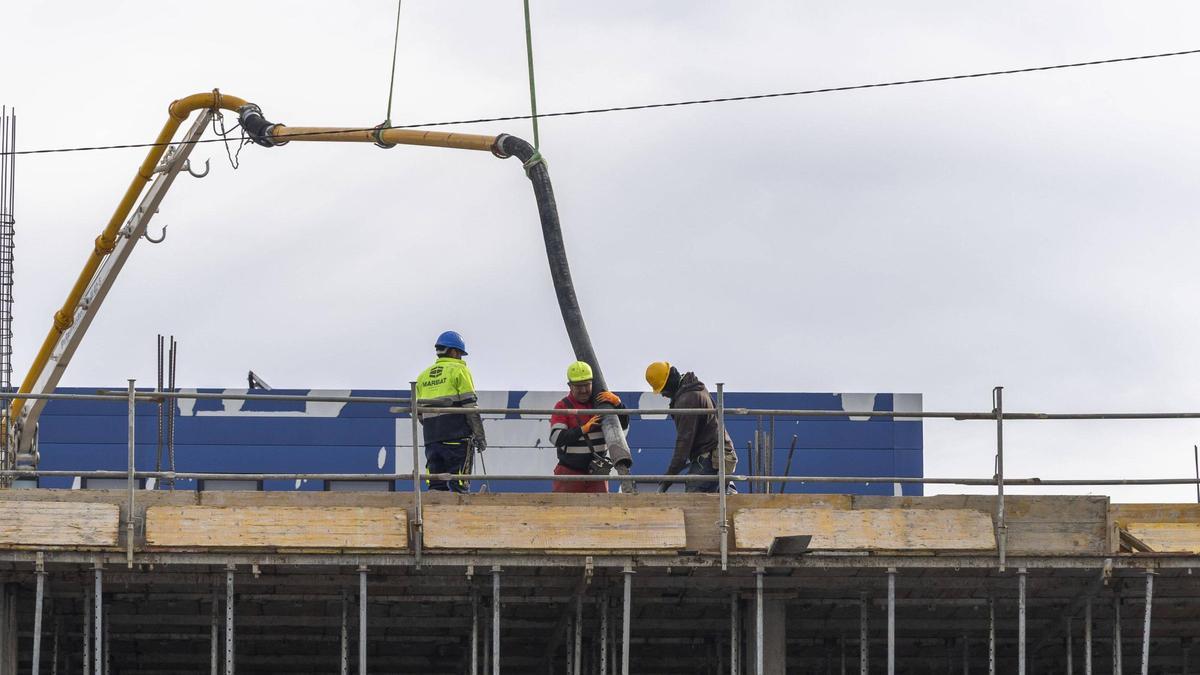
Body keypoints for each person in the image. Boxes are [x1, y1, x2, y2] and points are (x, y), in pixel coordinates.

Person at [645, 361, 737, 493]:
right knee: (713, 500)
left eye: (662, 390)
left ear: (669, 384)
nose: (663, 395)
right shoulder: (695, 387)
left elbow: (683, 444)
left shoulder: (687, 400)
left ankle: (726, 490)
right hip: (716, 453)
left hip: (710, 457)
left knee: (694, 502)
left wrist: (668, 479)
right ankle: (727, 489)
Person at [415, 331, 486, 493]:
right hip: (457, 440)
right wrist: (480, 436)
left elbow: (419, 414)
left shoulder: (422, 377)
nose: (461, 357)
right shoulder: (459, 371)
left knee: (435, 486)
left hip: (432, 440)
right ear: (454, 352)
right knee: (459, 485)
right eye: (460, 354)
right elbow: (470, 408)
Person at [549, 360, 629, 493]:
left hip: (597, 475)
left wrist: (618, 404)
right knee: (564, 512)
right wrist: (583, 429)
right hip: (569, 473)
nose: (584, 390)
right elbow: (556, 438)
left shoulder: (601, 403)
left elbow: (623, 425)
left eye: (587, 385)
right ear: (570, 386)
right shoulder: (562, 406)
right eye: (578, 386)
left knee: (601, 513)